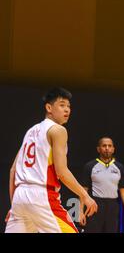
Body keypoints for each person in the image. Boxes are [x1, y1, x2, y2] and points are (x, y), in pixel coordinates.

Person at [5, 87, 98, 233]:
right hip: (41, 195)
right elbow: (61, 172)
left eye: (68, 106)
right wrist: (85, 195)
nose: (67, 109)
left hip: (19, 197)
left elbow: (13, 170)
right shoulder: (58, 130)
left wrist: (14, 205)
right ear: (49, 107)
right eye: (62, 105)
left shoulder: (30, 131)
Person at [79, 137, 124, 233]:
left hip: (113, 206)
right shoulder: (90, 166)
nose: (107, 148)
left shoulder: (119, 167)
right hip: (95, 205)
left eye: (109, 146)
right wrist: (80, 212)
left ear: (113, 149)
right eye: (104, 146)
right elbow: (83, 190)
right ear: (98, 149)